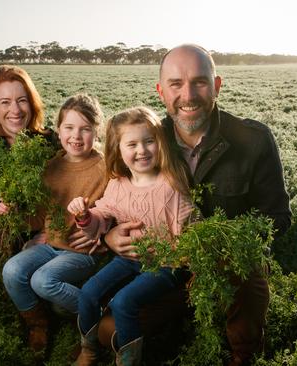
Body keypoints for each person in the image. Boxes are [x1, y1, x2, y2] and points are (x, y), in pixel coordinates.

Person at [100, 44, 292, 365]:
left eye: (199, 82)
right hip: (166, 265)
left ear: (216, 85)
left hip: (229, 267)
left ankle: (242, 350)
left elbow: (278, 218)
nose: (187, 95)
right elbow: (114, 190)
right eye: (176, 84)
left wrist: (221, 243)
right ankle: (180, 322)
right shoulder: (149, 140)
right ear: (161, 91)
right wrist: (109, 234)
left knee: (243, 277)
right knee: (110, 332)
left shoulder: (253, 139)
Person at [67, 106, 195, 366]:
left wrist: (180, 256)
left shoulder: (171, 184)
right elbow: (100, 220)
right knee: (88, 292)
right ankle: (89, 350)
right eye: (132, 144)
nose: (142, 150)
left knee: (124, 301)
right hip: (129, 259)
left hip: (165, 264)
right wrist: (85, 217)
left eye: (149, 141)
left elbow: (189, 227)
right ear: (119, 149)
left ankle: (127, 360)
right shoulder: (117, 185)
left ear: (160, 143)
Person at [0, 94, 108, 357]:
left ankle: (99, 319)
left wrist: (104, 231)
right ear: (58, 130)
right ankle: (39, 325)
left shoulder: (106, 166)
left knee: (43, 280)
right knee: (12, 270)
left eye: (85, 129)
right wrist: (12, 212)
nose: (76, 136)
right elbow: (40, 217)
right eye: (69, 128)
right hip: (52, 244)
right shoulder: (52, 166)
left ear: (97, 131)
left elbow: (117, 208)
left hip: (84, 251)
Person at [0, 65, 57, 247]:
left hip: (63, 238)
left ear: (32, 104)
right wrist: (19, 236)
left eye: (22, 100)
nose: (15, 110)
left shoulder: (54, 143)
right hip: (19, 248)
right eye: (5, 102)